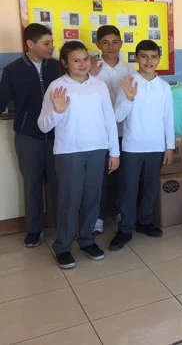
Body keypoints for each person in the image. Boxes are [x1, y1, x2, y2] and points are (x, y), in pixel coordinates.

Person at [38, 41, 119, 269]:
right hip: (69, 152)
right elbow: (43, 126)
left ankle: (86, 241)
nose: (82, 64)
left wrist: (114, 152)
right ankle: (63, 247)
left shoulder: (99, 86)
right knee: (69, 200)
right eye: (76, 60)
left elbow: (109, 120)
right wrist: (57, 111)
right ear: (65, 63)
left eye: (85, 59)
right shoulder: (57, 87)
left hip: (97, 150)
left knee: (92, 198)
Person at [109, 40, 175, 251]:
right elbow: (117, 116)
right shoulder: (128, 82)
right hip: (132, 147)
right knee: (128, 189)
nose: (149, 61)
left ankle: (144, 221)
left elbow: (168, 118)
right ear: (136, 57)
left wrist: (170, 146)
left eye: (154, 57)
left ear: (159, 59)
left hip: (156, 147)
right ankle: (125, 229)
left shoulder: (164, 87)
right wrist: (129, 98)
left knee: (150, 187)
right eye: (144, 56)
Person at [0, 23, 60, 247]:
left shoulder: (57, 67)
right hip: (28, 136)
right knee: (32, 183)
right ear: (30, 44)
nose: (51, 47)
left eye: (52, 42)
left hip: (57, 135)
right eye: (46, 43)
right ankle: (34, 230)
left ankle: (62, 226)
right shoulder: (13, 70)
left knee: (59, 182)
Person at [89, 25, 135, 234]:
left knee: (122, 177)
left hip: (124, 131)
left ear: (121, 44)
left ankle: (119, 212)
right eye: (105, 43)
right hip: (100, 133)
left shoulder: (129, 69)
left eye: (115, 42)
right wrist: (90, 75)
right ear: (98, 44)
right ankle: (97, 217)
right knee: (99, 177)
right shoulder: (92, 68)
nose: (110, 47)